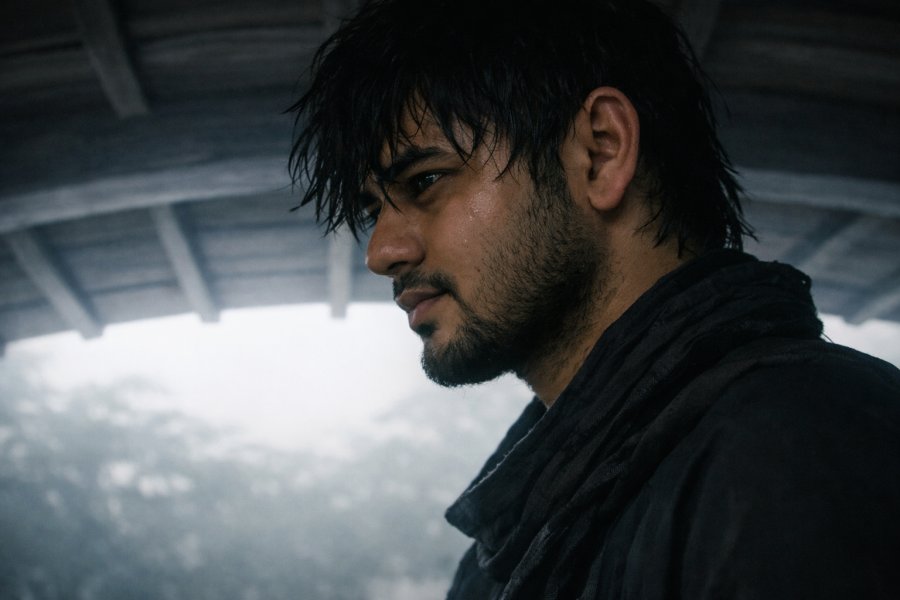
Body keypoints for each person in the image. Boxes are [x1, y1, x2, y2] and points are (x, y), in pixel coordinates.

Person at [288, 0, 900, 597]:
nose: (381, 253)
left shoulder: (802, 449)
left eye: (425, 180)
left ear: (601, 152)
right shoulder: (532, 518)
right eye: (372, 210)